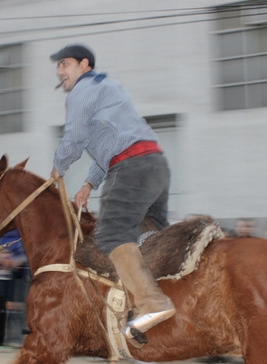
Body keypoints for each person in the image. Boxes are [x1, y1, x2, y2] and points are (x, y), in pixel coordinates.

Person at [49, 44, 174, 345]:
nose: (60, 72)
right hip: (155, 166)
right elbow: (107, 150)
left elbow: (75, 138)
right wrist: (89, 185)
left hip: (131, 167)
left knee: (112, 236)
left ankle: (152, 305)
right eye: (58, 68)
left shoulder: (81, 91)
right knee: (152, 238)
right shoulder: (108, 88)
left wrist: (58, 168)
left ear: (83, 64)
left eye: (65, 65)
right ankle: (162, 302)